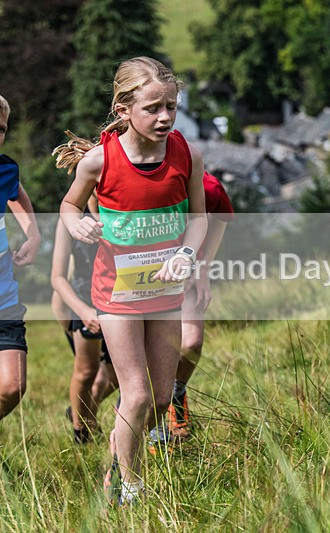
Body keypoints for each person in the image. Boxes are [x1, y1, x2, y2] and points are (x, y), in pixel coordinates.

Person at [54, 57, 207, 505]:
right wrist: (77, 221)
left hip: (166, 292)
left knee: (161, 397)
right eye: (153, 108)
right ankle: (129, 486)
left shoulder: (187, 154)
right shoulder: (99, 162)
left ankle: (119, 448)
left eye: (171, 108)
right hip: (116, 294)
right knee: (136, 395)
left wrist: (185, 253)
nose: (164, 118)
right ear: (123, 110)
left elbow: (199, 219)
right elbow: (67, 206)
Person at [150, 170, 233, 444]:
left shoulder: (208, 187)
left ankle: (176, 392)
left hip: (185, 271)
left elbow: (220, 218)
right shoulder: (142, 183)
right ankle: (151, 429)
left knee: (191, 344)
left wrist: (203, 268)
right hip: (143, 273)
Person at [51, 193, 118, 444]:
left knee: (118, 375)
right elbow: (57, 277)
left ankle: (80, 410)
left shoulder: (121, 210)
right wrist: (82, 311)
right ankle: (83, 433)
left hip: (120, 299)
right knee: (87, 370)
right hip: (85, 302)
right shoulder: (70, 217)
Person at [0, 94, 41, 421]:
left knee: (12, 387)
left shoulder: (5, 169)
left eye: (0, 129)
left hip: (5, 301)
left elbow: (16, 191)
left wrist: (33, 232)